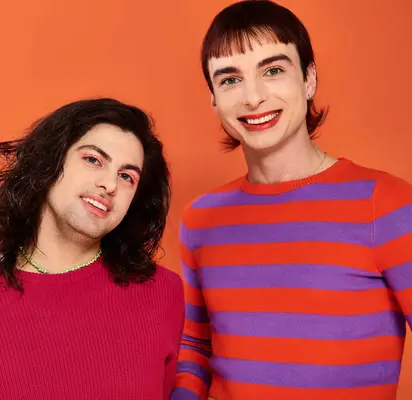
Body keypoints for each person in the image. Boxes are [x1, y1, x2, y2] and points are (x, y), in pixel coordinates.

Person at [170, 1, 412, 399]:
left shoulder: (385, 203)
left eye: (273, 70)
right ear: (213, 100)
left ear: (309, 79)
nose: (253, 97)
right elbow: (196, 347)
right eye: (230, 80)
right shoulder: (201, 220)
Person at [0, 98, 185, 399]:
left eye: (126, 176)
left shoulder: (163, 294)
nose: (110, 184)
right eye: (93, 160)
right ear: (49, 162)